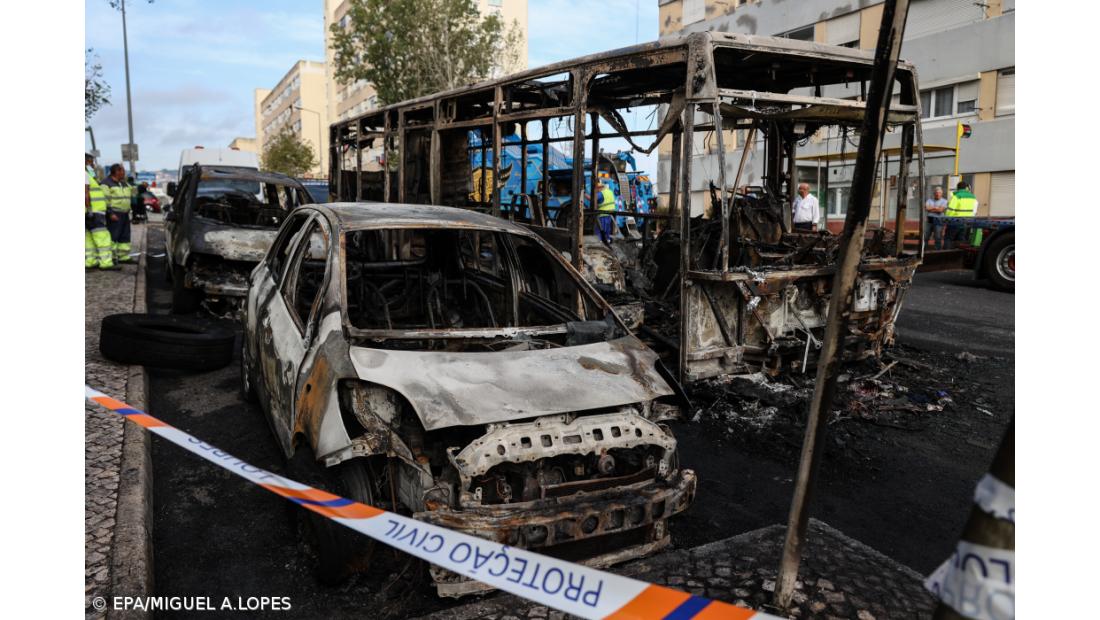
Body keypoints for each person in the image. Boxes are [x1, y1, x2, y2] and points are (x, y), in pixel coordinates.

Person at [85, 153, 115, 270]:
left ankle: (90, 261)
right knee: (102, 237)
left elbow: (93, 181)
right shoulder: (84, 175)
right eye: (91, 162)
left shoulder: (88, 175)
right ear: (86, 162)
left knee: (88, 238)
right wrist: (89, 210)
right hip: (93, 212)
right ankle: (106, 263)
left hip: (87, 212)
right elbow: (85, 194)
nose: (93, 165)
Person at [102, 164, 135, 264]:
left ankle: (123, 256)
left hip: (124, 213)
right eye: (122, 171)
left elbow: (133, 192)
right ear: (117, 172)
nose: (124, 173)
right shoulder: (106, 184)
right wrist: (110, 213)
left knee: (124, 236)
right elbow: (105, 200)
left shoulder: (123, 183)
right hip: (114, 214)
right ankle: (112, 257)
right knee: (113, 236)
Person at [944, 180, 978, 248]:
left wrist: (947, 219)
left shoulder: (956, 196)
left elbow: (950, 210)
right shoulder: (973, 197)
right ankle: (959, 255)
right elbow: (974, 211)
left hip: (955, 221)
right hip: (968, 221)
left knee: (948, 239)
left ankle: (946, 254)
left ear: (958, 188)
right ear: (966, 188)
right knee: (961, 239)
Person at [593, 179, 617, 245]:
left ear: (600, 188)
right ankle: (608, 241)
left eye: (597, 189)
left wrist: (584, 194)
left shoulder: (601, 194)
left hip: (603, 214)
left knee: (600, 230)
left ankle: (599, 242)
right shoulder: (610, 192)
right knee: (607, 230)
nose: (596, 190)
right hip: (611, 214)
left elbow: (592, 199)